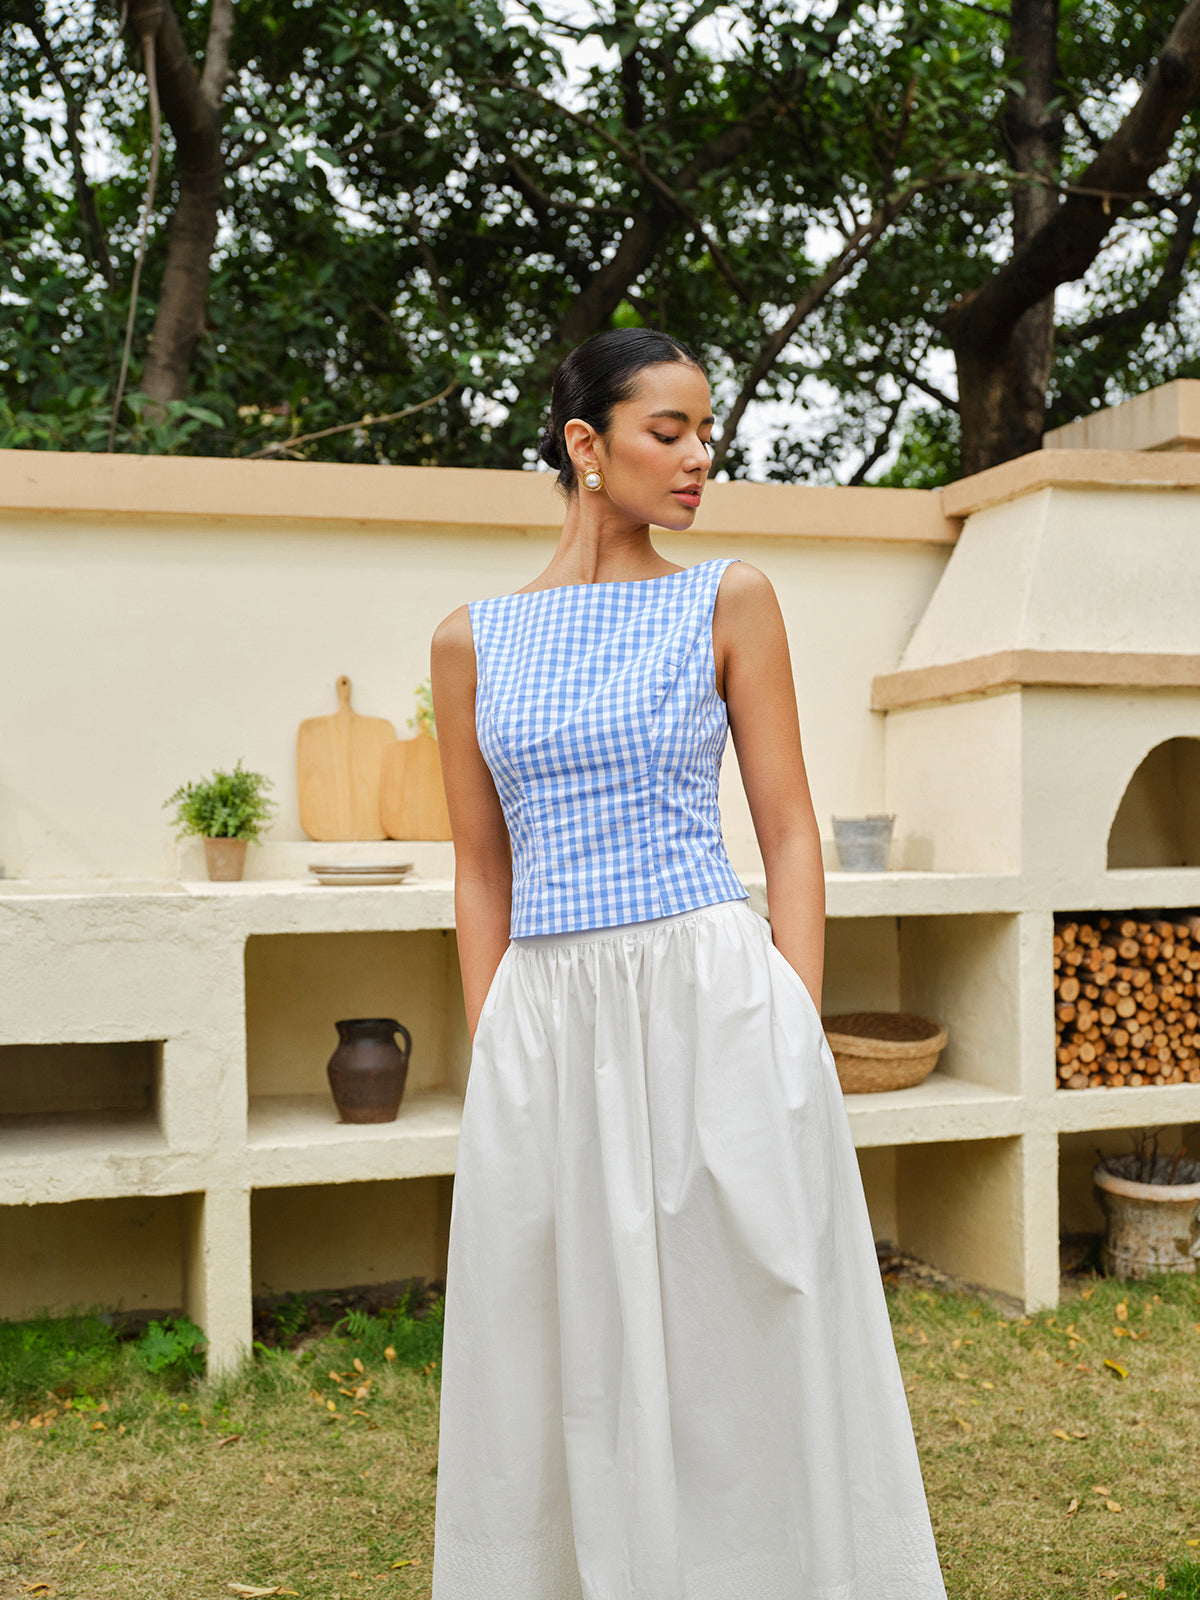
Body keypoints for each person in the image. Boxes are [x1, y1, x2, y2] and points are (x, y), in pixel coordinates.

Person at [428, 328, 947, 1600]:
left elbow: (787, 830)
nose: (700, 457)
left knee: (745, 1322)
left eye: (708, 431)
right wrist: (496, 1034)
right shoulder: (469, 641)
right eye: (671, 430)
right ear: (586, 446)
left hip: (712, 995)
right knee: (560, 1340)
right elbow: (481, 867)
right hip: (545, 1018)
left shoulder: (727, 597)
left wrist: (791, 1017)